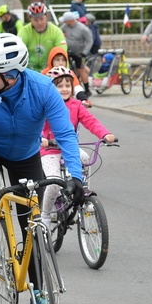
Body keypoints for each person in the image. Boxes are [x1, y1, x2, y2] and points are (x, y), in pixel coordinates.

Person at [0, 33, 85, 304]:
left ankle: (39, 290)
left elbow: (65, 133)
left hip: (25, 154)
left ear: (11, 75)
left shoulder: (43, 89)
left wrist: (76, 177)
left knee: (31, 225)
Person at [39, 66, 116, 229]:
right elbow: (36, 126)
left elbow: (91, 121)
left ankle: (83, 191)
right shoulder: (45, 105)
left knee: (85, 158)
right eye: (59, 86)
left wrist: (105, 135)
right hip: (49, 150)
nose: (64, 89)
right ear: (51, 89)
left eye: (68, 85)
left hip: (69, 148)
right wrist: (42, 138)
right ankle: (45, 213)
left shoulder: (76, 105)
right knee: (54, 182)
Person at [17, 1, 67, 72]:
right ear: (30, 18)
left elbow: (62, 53)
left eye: (42, 19)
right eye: (35, 20)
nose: (39, 23)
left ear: (47, 16)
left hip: (50, 71)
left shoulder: (56, 31)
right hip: (29, 71)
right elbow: (18, 52)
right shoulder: (24, 32)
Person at [59, 11, 93, 94]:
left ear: (70, 20)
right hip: (68, 51)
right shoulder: (65, 26)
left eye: (65, 21)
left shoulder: (83, 28)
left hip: (79, 52)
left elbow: (89, 41)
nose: (64, 22)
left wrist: (85, 52)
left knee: (81, 69)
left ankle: (87, 89)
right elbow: (58, 33)